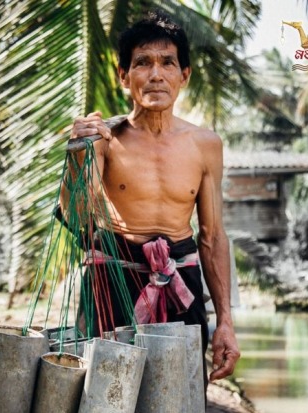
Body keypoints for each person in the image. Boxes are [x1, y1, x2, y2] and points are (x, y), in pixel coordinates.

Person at [63, 11, 240, 382]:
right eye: (143, 63)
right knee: (105, 397)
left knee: (178, 398)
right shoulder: (102, 139)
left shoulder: (205, 145)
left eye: (167, 63)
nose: (156, 74)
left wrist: (225, 321)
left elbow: (211, 237)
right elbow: (78, 219)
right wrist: (78, 154)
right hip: (112, 281)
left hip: (181, 284)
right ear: (124, 76)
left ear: (184, 75)